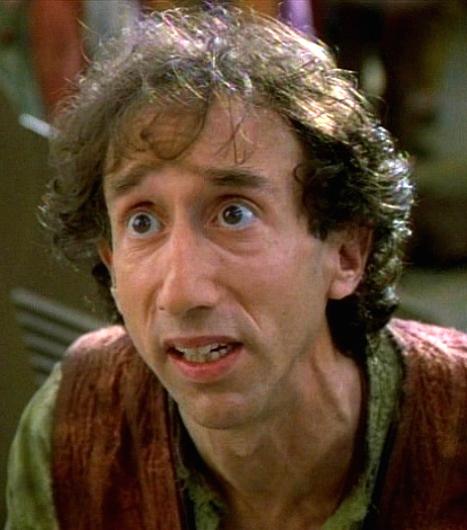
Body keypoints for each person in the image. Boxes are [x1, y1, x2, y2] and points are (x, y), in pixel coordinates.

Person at [5, 6, 467, 530]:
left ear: (345, 253)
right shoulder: (74, 425)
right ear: (111, 263)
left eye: (234, 214)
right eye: (142, 222)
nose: (182, 292)